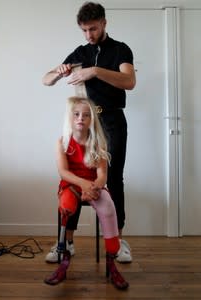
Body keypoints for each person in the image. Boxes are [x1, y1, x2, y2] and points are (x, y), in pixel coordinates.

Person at [42, 1, 136, 263]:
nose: (88, 35)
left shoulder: (120, 50)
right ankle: (66, 242)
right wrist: (59, 72)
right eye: (84, 30)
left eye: (93, 29)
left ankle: (118, 240)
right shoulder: (80, 51)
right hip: (85, 123)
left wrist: (94, 71)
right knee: (75, 178)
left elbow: (129, 81)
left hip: (113, 121)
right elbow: (46, 80)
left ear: (104, 23)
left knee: (113, 177)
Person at [44, 96, 129, 290]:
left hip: (94, 186)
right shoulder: (62, 142)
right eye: (76, 114)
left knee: (108, 206)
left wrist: (94, 188)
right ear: (70, 118)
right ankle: (63, 255)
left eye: (86, 115)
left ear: (92, 120)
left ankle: (111, 260)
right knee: (66, 206)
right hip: (71, 185)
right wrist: (83, 185)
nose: (80, 118)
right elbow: (63, 172)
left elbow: (102, 176)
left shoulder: (99, 142)